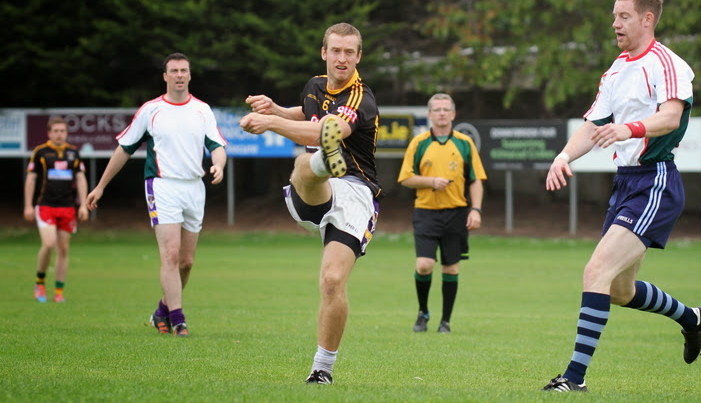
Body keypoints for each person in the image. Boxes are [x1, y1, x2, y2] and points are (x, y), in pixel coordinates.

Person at [541, 0, 701, 393]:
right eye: (615, 15)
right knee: (618, 289)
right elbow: (593, 124)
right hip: (626, 183)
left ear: (647, 19)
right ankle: (691, 317)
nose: (615, 23)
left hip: (656, 181)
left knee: (595, 272)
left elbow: (670, 118)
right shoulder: (617, 68)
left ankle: (574, 379)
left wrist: (628, 128)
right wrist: (564, 156)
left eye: (623, 16)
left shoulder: (668, 63)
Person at [239, 22, 381, 385]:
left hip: (355, 194)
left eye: (350, 52)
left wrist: (269, 122)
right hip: (316, 189)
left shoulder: (360, 98)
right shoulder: (315, 86)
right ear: (324, 52)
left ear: (358, 57)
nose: (342, 58)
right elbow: (308, 115)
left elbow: (324, 130)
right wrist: (279, 110)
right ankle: (321, 162)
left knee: (332, 281)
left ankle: (322, 370)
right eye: (336, 50)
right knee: (305, 165)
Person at [85, 53, 227, 337]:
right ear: (165, 76)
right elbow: (124, 148)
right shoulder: (151, 110)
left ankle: (162, 310)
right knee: (171, 255)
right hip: (162, 186)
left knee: (186, 262)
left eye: (183, 70)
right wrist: (100, 186)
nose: (178, 75)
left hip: (194, 188)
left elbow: (217, 145)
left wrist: (219, 165)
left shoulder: (202, 110)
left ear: (189, 75)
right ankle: (179, 319)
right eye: (173, 70)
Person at [397, 93, 487, 334]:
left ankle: (445, 321)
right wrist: (431, 181)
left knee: (451, 268)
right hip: (426, 212)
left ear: (453, 114)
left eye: (446, 109)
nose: (441, 113)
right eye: (436, 109)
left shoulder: (464, 143)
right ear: (429, 114)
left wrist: (475, 210)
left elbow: (476, 180)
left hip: (456, 213)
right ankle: (423, 312)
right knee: (425, 264)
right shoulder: (419, 143)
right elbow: (405, 178)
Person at [24, 116, 89, 303]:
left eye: (62, 131)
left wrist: (83, 205)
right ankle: (40, 283)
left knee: (63, 249)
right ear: (49, 133)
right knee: (49, 244)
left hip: (67, 207)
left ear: (66, 133)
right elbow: (31, 179)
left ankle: (59, 292)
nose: (59, 134)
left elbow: (81, 178)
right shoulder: (40, 152)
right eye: (56, 131)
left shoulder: (73, 153)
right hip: (45, 205)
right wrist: (28, 205)